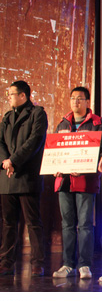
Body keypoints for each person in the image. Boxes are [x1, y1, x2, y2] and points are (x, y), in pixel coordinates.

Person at [52, 86, 102, 280]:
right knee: (67, 224)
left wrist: (91, 164)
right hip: (64, 181)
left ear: (87, 102)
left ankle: (84, 265)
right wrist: (55, 165)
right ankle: (67, 264)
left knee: (85, 224)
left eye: (80, 98)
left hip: (85, 181)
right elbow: (55, 151)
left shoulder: (96, 124)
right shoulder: (62, 124)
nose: (75, 102)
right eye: (73, 98)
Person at [0, 80, 48, 277]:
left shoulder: (37, 114)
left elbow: (34, 141)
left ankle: (37, 262)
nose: (8, 97)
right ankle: (6, 262)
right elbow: (0, 142)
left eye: (11, 94)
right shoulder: (7, 116)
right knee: (8, 223)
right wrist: (5, 161)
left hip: (27, 176)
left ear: (23, 95)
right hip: (8, 176)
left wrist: (14, 161)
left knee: (33, 222)